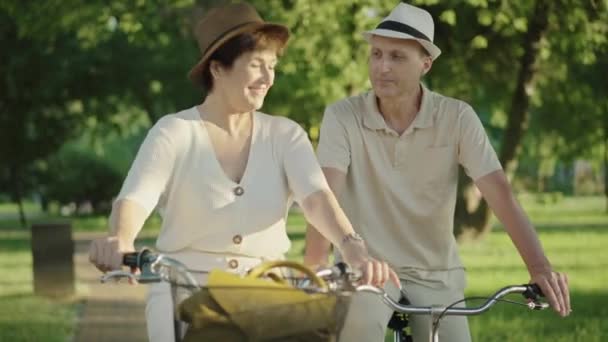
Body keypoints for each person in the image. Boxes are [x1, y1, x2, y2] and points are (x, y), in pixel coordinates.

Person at [88, 3, 398, 342]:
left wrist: (352, 247)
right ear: (218, 69)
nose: (267, 78)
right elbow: (135, 198)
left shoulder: (285, 135)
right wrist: (121, 240)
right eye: (256, 65)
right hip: (186, 289)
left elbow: (316, 199)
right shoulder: (175, 132)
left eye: (272, 66)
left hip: (267, 293)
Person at [304, 2, 571, 341]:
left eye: (397, 57)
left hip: (437, 274)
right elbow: (325, 194)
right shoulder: (342, 116)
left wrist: (539, 268)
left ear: (425, 64)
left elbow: (500, 195)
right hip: (368, 268)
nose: (382, 67)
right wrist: (314, 267)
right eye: (376, 54)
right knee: (359, 328)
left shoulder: (457, 118)